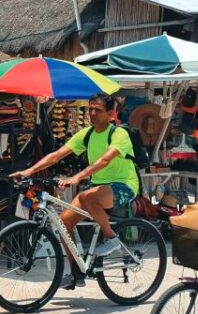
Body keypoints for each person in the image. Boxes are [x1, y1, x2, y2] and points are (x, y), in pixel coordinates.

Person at [10, 93, 139, 288]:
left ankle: (111, 238)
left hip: (124, 186)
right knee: (63, 224)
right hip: (98, 188)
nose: (92, 113)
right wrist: (29, 171)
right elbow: (57, 155)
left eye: (98, 110)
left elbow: (105, 160)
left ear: (111, 114)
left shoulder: (119, 134)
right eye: (90, 109)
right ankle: (76, 273)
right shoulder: (86, 134)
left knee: (87, 196)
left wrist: (77, 177)